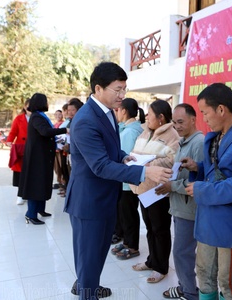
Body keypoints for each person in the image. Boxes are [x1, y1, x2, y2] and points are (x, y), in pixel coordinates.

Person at [64, 62, 172, 300]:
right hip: (88, 204)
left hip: (104, 200)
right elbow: (100, 165)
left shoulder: (106, 113)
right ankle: (87, 292)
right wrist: (145, 173)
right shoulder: (85, 120)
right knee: (89, 260)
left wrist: (123, 156)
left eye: (124, 89)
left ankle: (89, 286)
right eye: (117, 89)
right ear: (99, 88)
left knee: (97, 257)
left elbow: (108, 149)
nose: (122, 96)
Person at [181, 83, 232, 300]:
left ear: (221, 109)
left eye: (205, 113)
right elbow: (214, 172)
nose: (203, 119)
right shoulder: (214, 136)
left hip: (229, 222)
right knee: (204, 274)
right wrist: (197, 167)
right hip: (208, 218)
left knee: (226, 282)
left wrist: (203, 190)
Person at [157, 103, 204, 300]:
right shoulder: (184, 141)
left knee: (182, 253)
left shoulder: (199, 143)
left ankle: (189, 292)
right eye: (174, 122)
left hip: (189, 208)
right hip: (178, 205)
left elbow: (200, 180)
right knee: (181, 252)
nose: (176, 126)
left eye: (181, 122)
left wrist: (172, 186)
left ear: (194, 119)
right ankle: (185, 287)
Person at [130, 99, 180, 284]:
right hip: (142, 189)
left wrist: (151, 164)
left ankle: (161, 267)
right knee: (150, 228)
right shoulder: (145, 132)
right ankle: (151, 260)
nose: (147, 117)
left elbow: (172, 160)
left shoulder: (172, 135)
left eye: (150, 114)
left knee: (160, 229)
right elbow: (135, 152)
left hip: (158, 191)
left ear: (160, 117)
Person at [18, 93, 68, 225]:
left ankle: (40, 209)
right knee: (36, 184)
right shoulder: (36, 117)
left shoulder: (39, 115)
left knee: (43, 182)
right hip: (37, 158)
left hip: (42, 156)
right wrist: (64, 130)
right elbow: (45, 132)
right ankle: (31, 214)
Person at [109, 98, 145, 259]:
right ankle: (126, 242)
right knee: (125, 213)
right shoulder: (128, 128)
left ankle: (132, 246)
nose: (116, 113)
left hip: (127, 181)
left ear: (124, 111)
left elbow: (129, 157)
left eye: (118, 110)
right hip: (124, 179)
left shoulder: (131, 131)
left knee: (129, 214)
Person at [6, 98, 31, 205]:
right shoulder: (19, 118)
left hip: (34, 149)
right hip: (21, 149)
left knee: (32, 172)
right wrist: (9, 141)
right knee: (20, 172)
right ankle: (20, 195)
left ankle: (30, 194)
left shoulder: (38, 118)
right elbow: (13, 132)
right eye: (28, 106)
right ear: (25, 106)